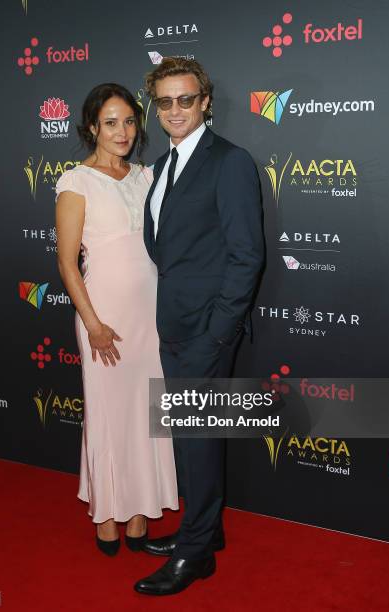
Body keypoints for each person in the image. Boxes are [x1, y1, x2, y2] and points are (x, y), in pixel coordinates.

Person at [134, 58, 264, 594]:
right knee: (190, 438)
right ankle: (203, 533)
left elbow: (246, 255)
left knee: (199, 438)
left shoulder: (229, 161)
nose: (175, 111)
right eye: (164, 102)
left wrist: (217, 333)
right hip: (174, 325)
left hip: (207, 330)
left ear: (205, 101)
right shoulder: (165, 165)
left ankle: (195, 554)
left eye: (185, 99)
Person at [55, 83, 178, 557]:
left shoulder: (146, 177)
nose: (122, 131)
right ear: (92, 127)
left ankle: (141, 512)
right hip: (103, 315)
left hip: (150, 315)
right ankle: (107, 516)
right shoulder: (75, 182)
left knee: (148, 414)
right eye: (110, 122)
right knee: (108, 416)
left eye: (129, 121)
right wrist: (94, 325)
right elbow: (68, 262)